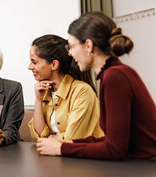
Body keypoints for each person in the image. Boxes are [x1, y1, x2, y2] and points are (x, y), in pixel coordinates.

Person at [36, 12, 156, 160]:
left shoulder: (114, 77)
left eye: (71, 46)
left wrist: (62, 147)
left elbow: (114, 149)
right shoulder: (113, 73)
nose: (70, 54)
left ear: (88, 45)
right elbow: (110, 140)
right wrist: (66, 144)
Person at [28, 34, 104, 141]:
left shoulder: (82, 91)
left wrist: (49, 138)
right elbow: (38, 135)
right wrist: (38, 100)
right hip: (54, 154)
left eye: (34, 62)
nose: (29, 67)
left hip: (81, 156)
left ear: (54, 64)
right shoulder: (45, 91)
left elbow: (72, 138)